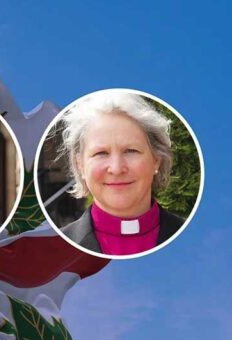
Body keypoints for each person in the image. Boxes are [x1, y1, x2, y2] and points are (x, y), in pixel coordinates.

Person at [57, 91, 183, 255]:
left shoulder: (192, 238)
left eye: (131, 151)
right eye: (101, 153)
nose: (116, 169)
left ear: (156, 160)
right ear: (80, 165)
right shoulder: (55, 250)